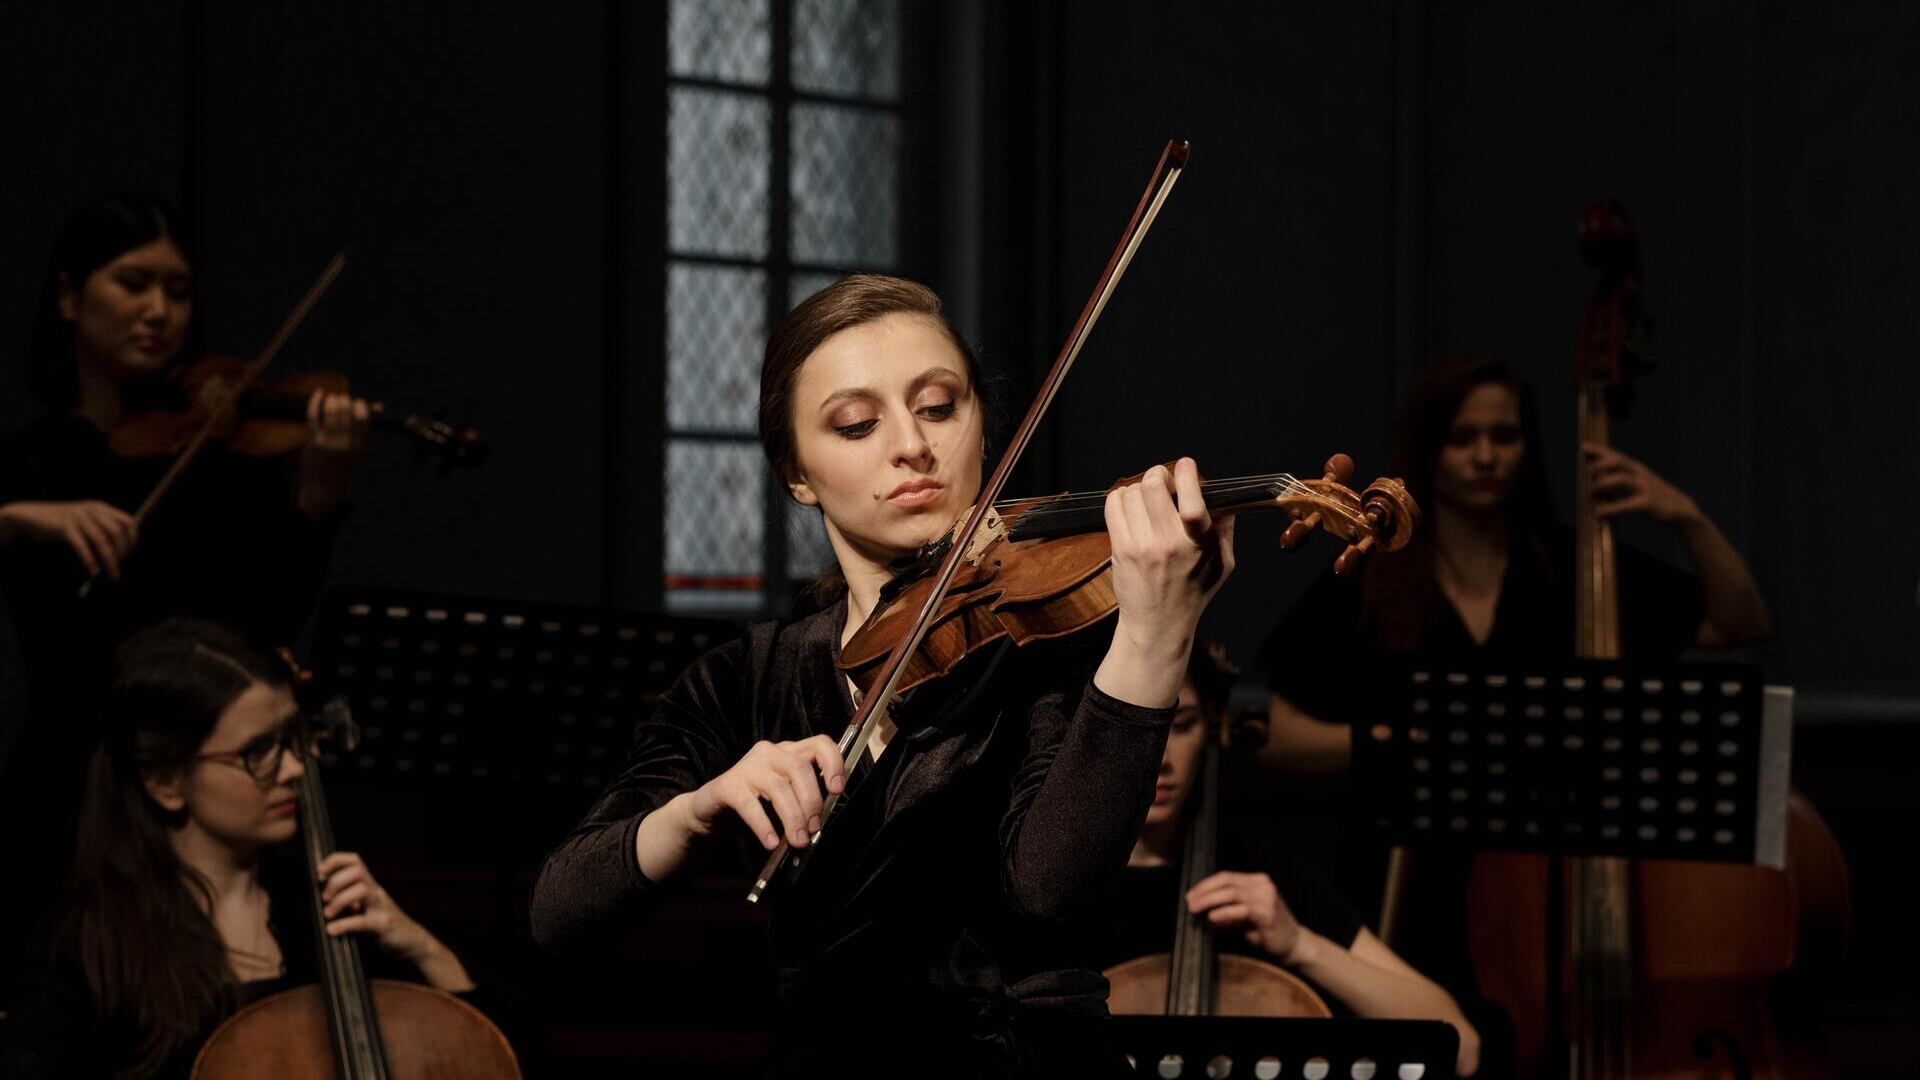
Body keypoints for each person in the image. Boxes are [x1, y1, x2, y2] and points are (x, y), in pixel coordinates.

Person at [530, 274, 1235, 1076]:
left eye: (939, 407)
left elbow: (1047, 892)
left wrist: (1156, 633)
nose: (912, 444)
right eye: (857, 423)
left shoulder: (1064, 642)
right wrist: (697, 809)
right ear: (797, 473)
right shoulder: (746, 678)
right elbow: (560, 915)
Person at [0, 193, 372, 987]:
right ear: (69, 296)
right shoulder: (29, 464)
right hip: (66, 788)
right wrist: (17, 517)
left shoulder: (222, 465)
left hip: (202, 801)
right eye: (133, 284)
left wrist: (317, 497)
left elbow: (264, 623)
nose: (158, 311)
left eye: (176, 290)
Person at [0, 619, 506, 1079]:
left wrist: (420, 944)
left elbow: (503, 1057)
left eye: (292, 738)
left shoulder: (329, 911)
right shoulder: (88, 946)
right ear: (166, 782)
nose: (292, 770)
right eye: (258, 751)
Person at [1258, 352, 1769, 772]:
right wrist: (1399, 744)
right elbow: (1282, 736)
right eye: (1462, 439)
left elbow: (1738, 623)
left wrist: (1687, 516)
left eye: (1504, 437)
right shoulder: (1375, 568)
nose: (1485, 457)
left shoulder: (1570, 567)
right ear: (1429, 448)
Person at [1073, 648, 1482, 1076]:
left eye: (1183, 725)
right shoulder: (1054, 885)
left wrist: (1301, 945)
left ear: (1212, 729)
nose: (1161, 756)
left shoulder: (1258, 875)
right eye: (1143, 726)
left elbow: (1463, 1045)